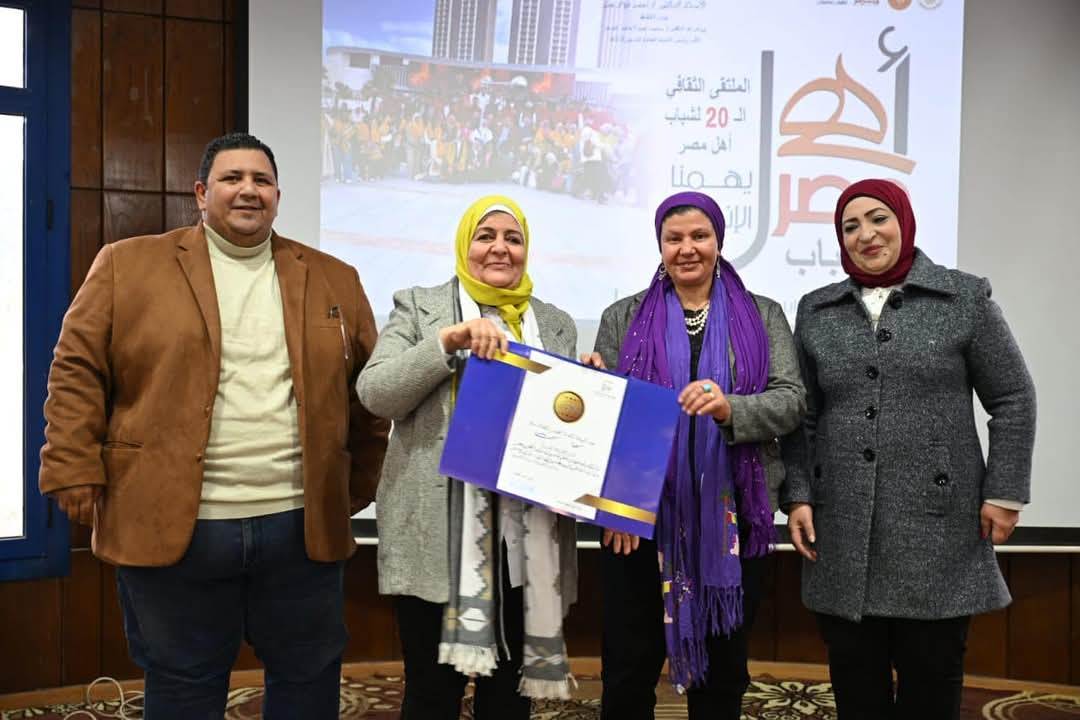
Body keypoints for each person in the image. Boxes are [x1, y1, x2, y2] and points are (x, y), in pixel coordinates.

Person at [39, 132, 390, 719]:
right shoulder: (129, 265)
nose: (248, 190)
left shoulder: (335, 277)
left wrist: (357, 485)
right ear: (201, 193)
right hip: (178, 525)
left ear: (278, 196)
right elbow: (76, 368)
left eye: (262, 180)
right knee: (184, 685)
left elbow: (368, 392)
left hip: (299, 527)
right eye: (232, 178)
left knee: (308, 677)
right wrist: (71, 464)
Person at [782, 178, 1037, 719]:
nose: (866, 235)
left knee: (931, 682)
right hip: (842, 527)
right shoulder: (817, 310)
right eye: (851, 226)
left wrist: (1005, 492)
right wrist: (798, 494)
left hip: (937, 528)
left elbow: (1013, 397)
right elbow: (803, 415)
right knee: (856, 685)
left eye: (879, 219)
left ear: (904, 222)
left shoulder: (963, 298)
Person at [585, 191, 805, 719]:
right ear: (660, 245)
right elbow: (610, 419)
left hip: (730, 520)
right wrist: (593, 389)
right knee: (628, 668)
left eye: (699, 236)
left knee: (724, 672)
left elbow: (792, 400)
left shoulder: (763, 314)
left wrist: (731, 409)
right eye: (674, 238)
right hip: (639, 521)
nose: (687, 249)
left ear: (718, 241)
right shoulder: (622, 316)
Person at [357, 195, 578, 720]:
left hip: (526, 543)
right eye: (486, 236)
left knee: (509, 701)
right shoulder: (420, 307)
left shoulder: (556, 323)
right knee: (432, 696)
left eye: (513, 238)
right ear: (464, 245)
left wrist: (587, 384)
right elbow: (376, 393)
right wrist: (446, 343)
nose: (500, 248)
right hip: (438, 539)